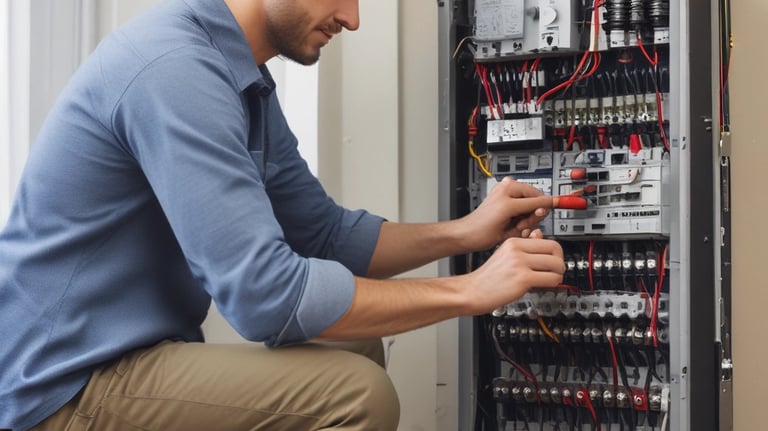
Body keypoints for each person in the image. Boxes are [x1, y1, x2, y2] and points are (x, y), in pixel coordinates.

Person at [0, 0, 565, 430]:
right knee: (358, 395)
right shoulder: (175, 67)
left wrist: (466, 233)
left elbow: (325, 236)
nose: (353, 19)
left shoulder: (239, 78)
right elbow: (265, 297)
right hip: (65, 385)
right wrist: (470, 290)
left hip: (132, 356)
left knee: (355, 345)